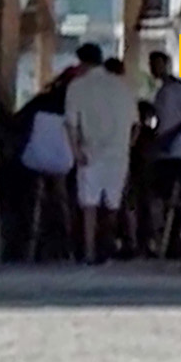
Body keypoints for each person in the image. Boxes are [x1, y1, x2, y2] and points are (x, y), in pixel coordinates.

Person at [64, 45, 138, 263]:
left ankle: (89, 251)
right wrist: (127, 145)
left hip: (91, 151)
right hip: (118, 153)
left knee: (89, 204)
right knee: (112, 203)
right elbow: (136, 124)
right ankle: (106, 245)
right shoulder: (122, 86)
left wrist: (76, 151)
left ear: (82, 63)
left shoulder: (77, 87)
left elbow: (71, 124)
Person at [149, 52, 181, 259]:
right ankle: (169, 241)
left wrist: (172, 136)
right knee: (163, 198)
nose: (155, 69)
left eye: (158, 64)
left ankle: (180, 240)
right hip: (165, 154)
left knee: (180, 199)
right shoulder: (162, 92)